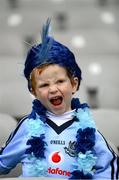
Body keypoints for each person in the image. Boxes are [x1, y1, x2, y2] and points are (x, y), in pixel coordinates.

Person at [0, 19, 118, 179]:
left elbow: (109, 171)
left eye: (60, 81)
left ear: (74, 85)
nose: (53, 89)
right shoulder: (27, 127)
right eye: (44, 85)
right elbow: (2, 162)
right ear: (33, 91)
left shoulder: (89, 131)